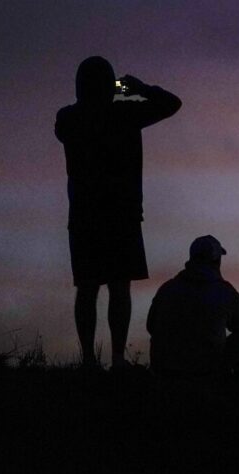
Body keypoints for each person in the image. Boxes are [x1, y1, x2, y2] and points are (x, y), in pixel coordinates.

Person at [55, 56, 181, 368]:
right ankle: (116, 357)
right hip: (122, 215)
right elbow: (171, 103)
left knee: (87, 288)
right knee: (118, 287)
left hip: (85, 216)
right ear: (109, 84)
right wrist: (136, 88)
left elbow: (71, 124)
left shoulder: (69, 118)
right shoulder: (124, 113)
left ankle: (88, 359)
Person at [147, 235, 239, 394]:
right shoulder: (225, 291)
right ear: (216, 261)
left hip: (165, 370)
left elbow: (150, 326)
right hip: (205, 372)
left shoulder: (168, 288)